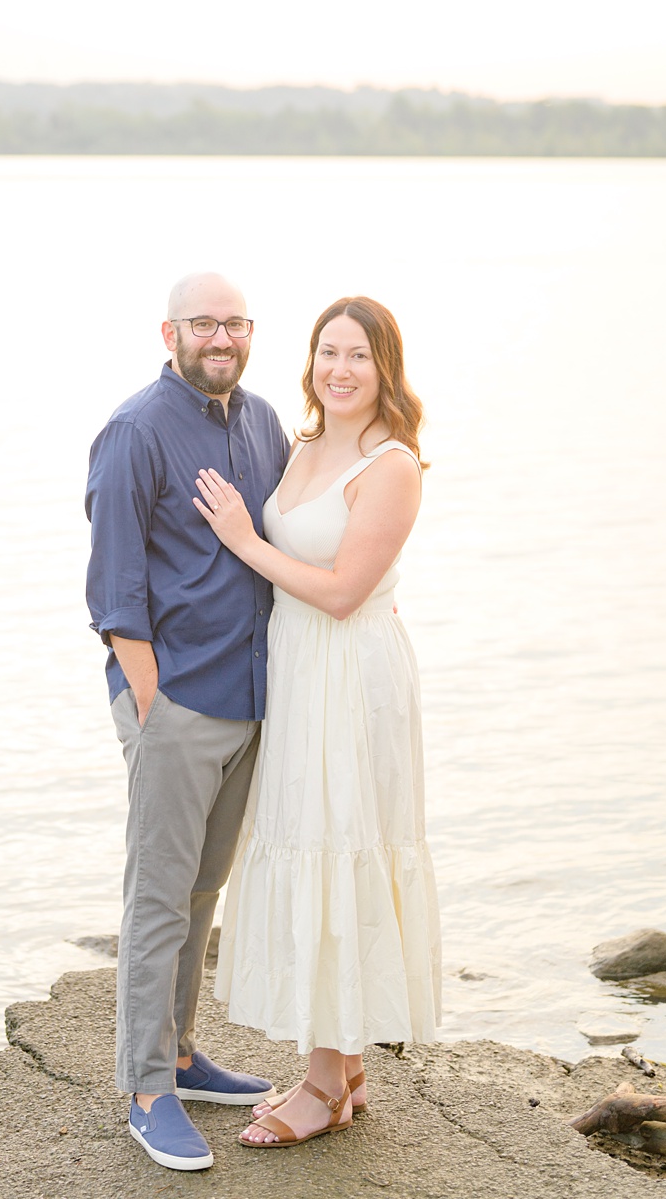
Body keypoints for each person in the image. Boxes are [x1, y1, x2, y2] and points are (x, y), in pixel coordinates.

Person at [198, 296, 441, 1149]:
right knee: (309, 840)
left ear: (386, 369)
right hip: (300, 670)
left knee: (340, 847)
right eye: (327, 351)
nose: (340, 369)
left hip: (350, 671)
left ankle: (323, 1083)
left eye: (359, 356)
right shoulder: (303, 446)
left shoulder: (392, 463)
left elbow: (341, 592)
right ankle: (347, 1066)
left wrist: (240, 536)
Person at [84, 272, 286, 1174]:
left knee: (204, 893)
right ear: (169, 331)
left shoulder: (263, 420)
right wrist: (151, 704)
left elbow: (277, 544)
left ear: (250, 333)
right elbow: (115, 584)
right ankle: (144, 1090)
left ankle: (182, 1054)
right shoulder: (134, 430)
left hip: (248, 697)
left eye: (234, 324)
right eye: (203, 323)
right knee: (158, 897)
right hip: (176, 704)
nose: (220, 338)